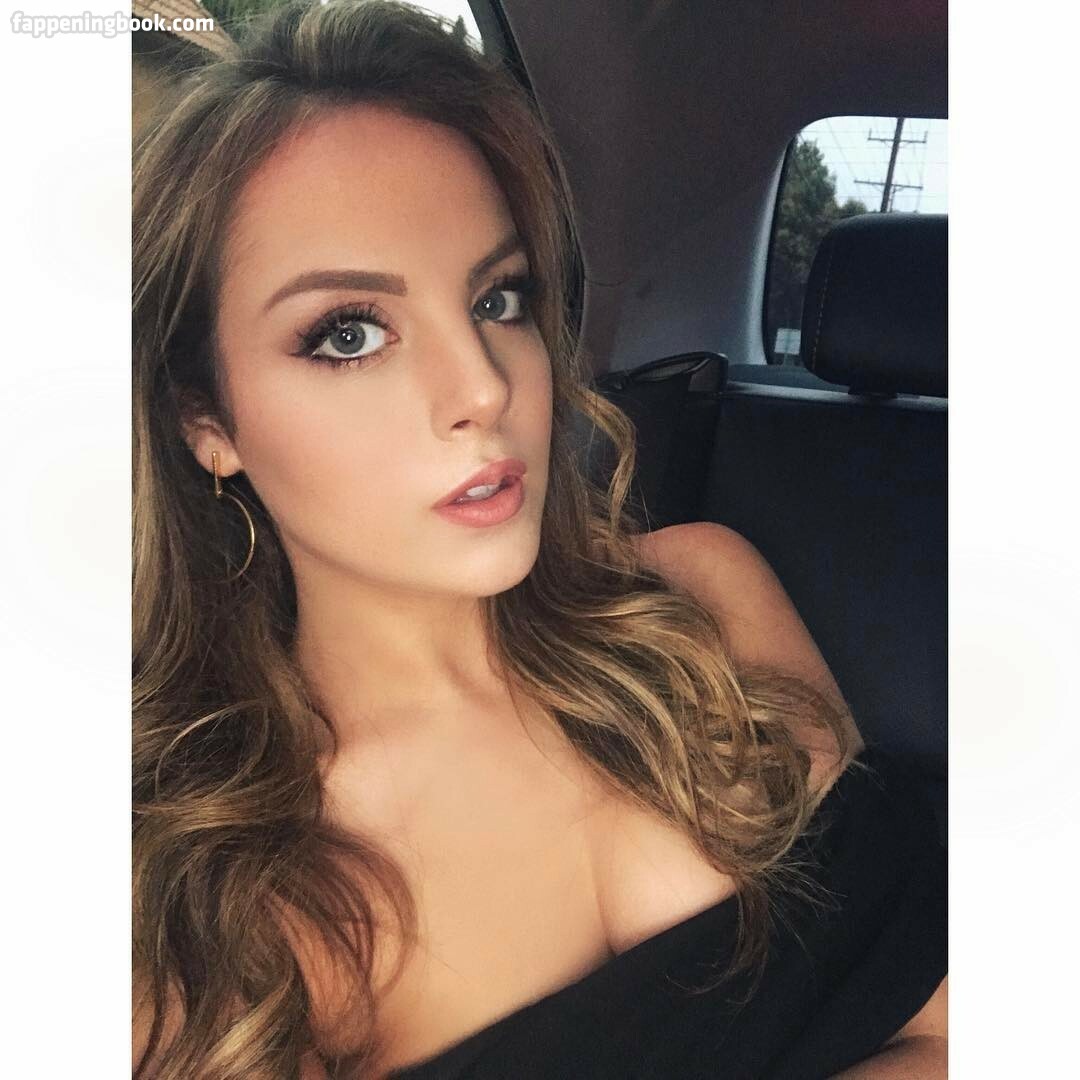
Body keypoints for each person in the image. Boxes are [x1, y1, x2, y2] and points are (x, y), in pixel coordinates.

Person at [131, 2, 946, 1077]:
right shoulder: (200, 883)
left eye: (497, 298)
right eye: (349, 334)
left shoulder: (702, 609)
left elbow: (948, 1019)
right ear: (206, 419)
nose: (483, 386)